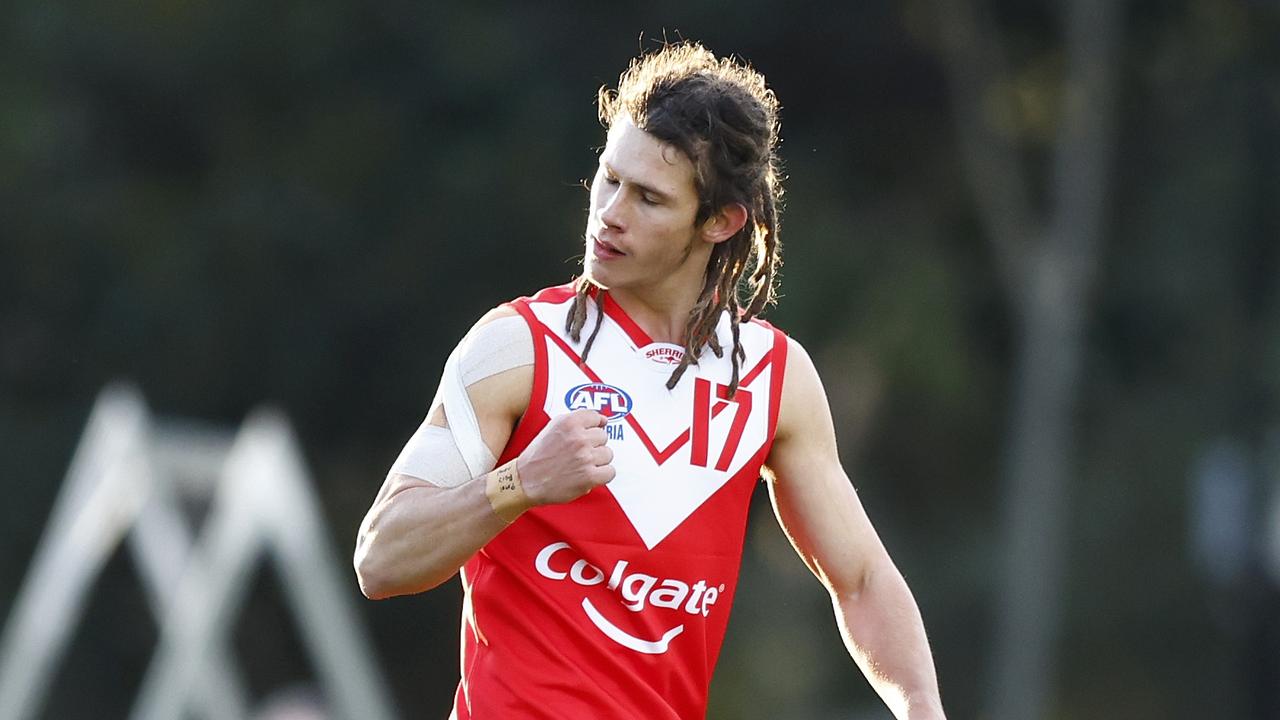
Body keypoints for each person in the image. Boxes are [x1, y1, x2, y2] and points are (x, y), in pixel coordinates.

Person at [353, 41, 946, 720]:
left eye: (648, 199)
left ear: (720, 222)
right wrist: (519, 484)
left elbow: (864, 580)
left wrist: (923, 708)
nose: (609, 212)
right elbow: (381, 559)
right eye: (608, 179)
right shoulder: (515, 347)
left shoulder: (773, 378)